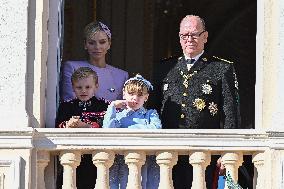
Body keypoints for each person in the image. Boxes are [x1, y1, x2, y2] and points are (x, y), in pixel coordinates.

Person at [149, 15, 252, 188]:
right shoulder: (164, 68)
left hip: (206, 152)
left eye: (195, 35)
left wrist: (226, 153)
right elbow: (152, 110)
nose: (189, 39)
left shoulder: (222, 68)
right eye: (185, 35)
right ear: (179, 37)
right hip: (168, 151)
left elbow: (230, 115)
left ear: (205, 36)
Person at [103, 74, 161, 189]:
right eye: (131, 94)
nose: (135, 98)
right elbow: (107, 130)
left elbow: (155, 130)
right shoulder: (118, 116)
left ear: (146, 97)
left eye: (140, 95)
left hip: (144, 161)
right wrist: (112, 106)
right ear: (124, 94)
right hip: (122, 161)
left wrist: (125, 131)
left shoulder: (150, 114)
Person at [56, 67, 109, 189]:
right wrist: (67, 125)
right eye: (79, 87)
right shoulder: (66, 106)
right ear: (73, 87)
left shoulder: (104, 106)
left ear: (96, 86)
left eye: (88, 87)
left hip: (95, 157)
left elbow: (107, 126)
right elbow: (58, 125)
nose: (83, 91)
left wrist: (86, 126)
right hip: (72, 155)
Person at [60, 21, 128, 102]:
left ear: (109, 44)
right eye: (91, 43)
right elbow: (70, 103)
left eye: (102, 42)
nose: (97, 47)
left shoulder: (121, 76)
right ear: (85, 44)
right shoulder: (72, 67)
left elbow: (124, 109)